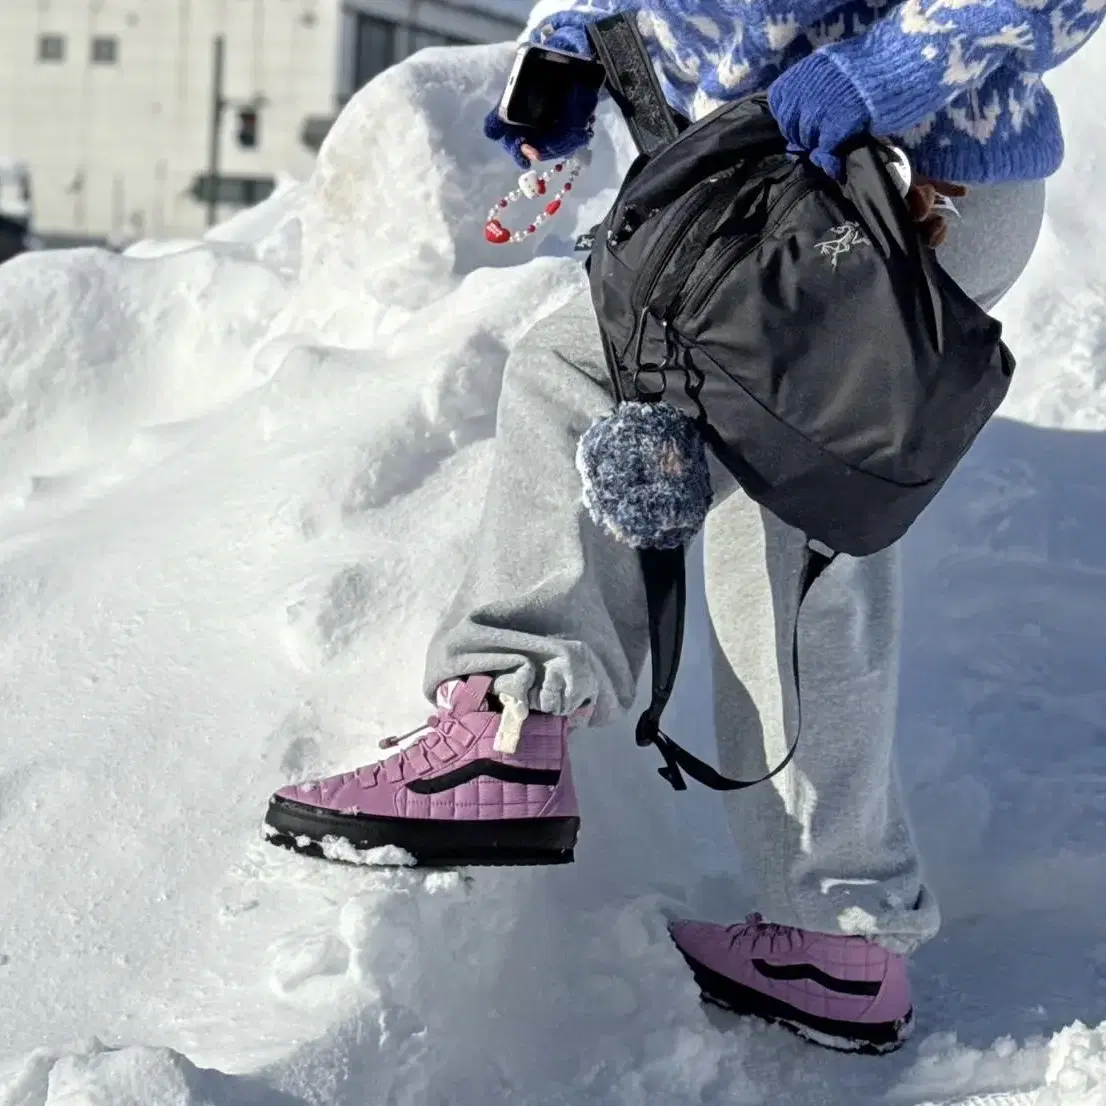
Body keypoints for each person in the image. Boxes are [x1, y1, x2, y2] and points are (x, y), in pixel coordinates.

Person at [264, 0, 1104, 1053]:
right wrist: (577, 38)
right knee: (792, 511)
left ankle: (507, 727)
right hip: (800, 168)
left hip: (896, 176)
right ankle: (833, 933)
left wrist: (875, 76)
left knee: (579, 372)